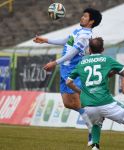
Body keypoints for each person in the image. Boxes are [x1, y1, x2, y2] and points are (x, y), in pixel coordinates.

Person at [33, 8, 102, 145]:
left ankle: (93, 126)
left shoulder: (85, 36)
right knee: (68, 103)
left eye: (85, 16)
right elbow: (65, 40)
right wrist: (45, 40)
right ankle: (93, 118)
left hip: (73, 70)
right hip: (65, 68)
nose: (82, 18)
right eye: (82, 15)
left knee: (79, 100)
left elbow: (73, 53)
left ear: (91, 21)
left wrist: (55, 62)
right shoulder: (77, 31)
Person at [66, 37, 124, 150]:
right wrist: (113, 71)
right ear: (103, 49)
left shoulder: (82, 63)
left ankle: (95, 147)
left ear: (89, 49)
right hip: (105, 102)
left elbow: (68, 82)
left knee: (96, 123)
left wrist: (80, 91)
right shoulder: (107, 60)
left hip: (88, 105)